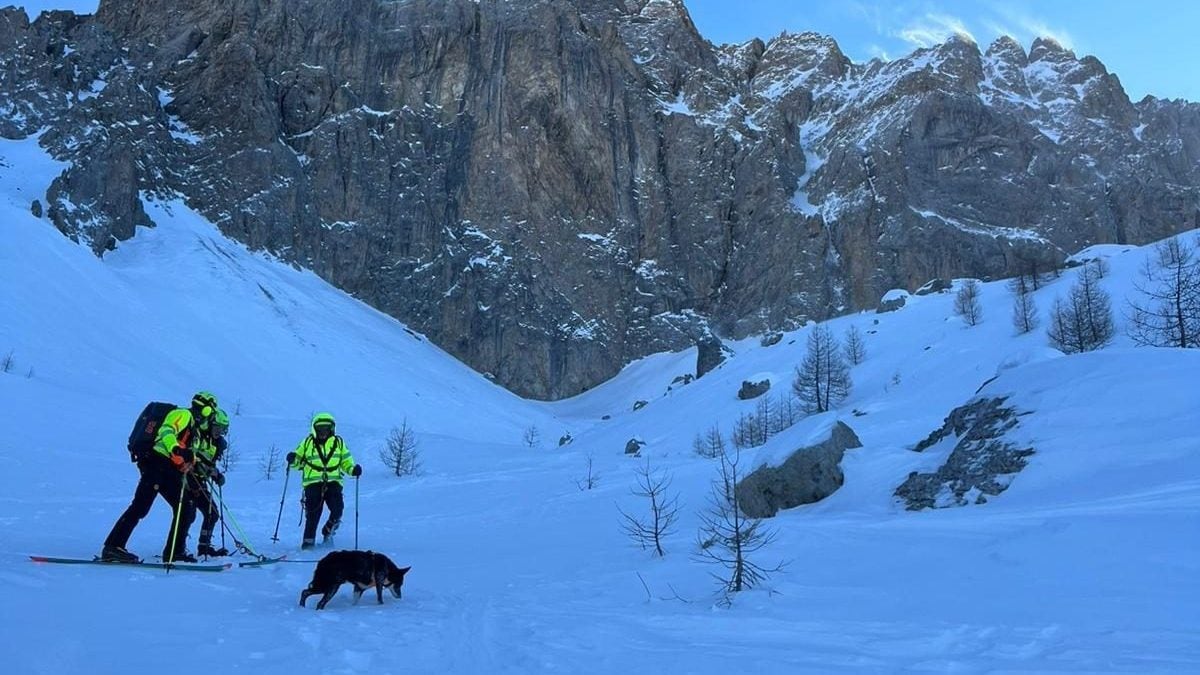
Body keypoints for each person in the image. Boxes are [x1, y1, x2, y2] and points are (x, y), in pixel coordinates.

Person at [100, 391, 218, 563]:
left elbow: (190, 454)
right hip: (156, 464)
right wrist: (175, 448)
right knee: (141, 506)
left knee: (185, 508)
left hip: (169, 470)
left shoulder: (195, 429)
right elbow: (166, 431)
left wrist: (197, 464)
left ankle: (175, 552)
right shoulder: (183, 414)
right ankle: (113, 547)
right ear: (207, 410)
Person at [286, 412, 361, 550]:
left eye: (326, 428)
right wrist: (293, 459)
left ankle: (327, 531)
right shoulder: (307, 443)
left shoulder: (339, 443)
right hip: (312, 483)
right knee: (313, 514)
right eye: (320, 428)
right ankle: (308, 544)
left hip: (334, 482)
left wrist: (353, 470)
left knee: (337, 510)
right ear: (315, 429)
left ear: (331, 429)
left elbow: (346, 462)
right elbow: (298, 463)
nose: (323, 432)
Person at [190, 408, 229, 557]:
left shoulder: (216, 444)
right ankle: (177, 549)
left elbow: (209, 463)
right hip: (187, 479)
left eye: (222, 429)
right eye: (218, 427)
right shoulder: (199, 435)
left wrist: (216, 474)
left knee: (212, 513)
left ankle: (204, 547)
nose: (219, 432)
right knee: (187, 514)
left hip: (200, 481)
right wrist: (206, 469)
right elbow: (192, 456)